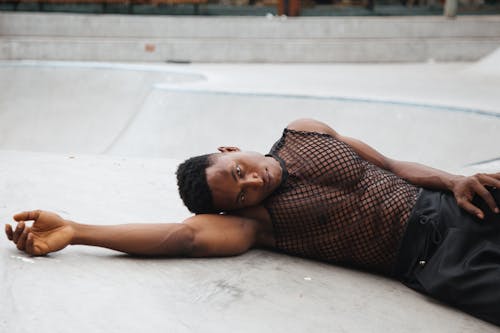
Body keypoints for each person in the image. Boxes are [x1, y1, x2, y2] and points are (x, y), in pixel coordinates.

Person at [5, 118, 500, 326]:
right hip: (435, 261)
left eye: (238, 171)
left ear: (228, 149)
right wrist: (78, 230)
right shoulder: (259, 223)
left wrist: (452, 179)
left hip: (452, 204)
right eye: (239, 195)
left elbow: (391, 166)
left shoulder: (306, 131)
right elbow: (184, 237)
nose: (252, 184)